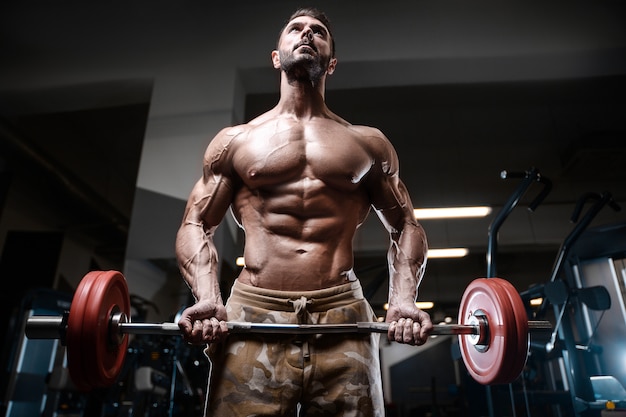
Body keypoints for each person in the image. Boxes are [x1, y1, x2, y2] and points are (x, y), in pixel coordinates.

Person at [175, 7, 432, 417]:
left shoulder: (367, 144)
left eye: (319, 32)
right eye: (296, 28)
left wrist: (403, 299)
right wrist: (208, 297)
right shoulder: (236, 142)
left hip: (342, 314)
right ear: (277, 56)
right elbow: (196, 223)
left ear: (331, 63)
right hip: (254, 313)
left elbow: (405, 225)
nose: (307, 34)